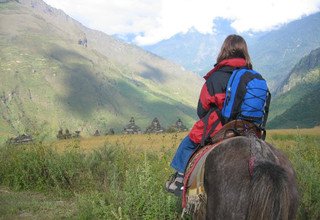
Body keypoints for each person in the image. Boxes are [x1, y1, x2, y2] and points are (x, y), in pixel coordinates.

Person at [165, 34, 253, 195]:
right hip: (249, 128)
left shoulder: (216, 77)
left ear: (224, 51)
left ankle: (179, 180)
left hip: (221, 126)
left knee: (189, 143)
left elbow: (202, 109)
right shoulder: (252, 75)